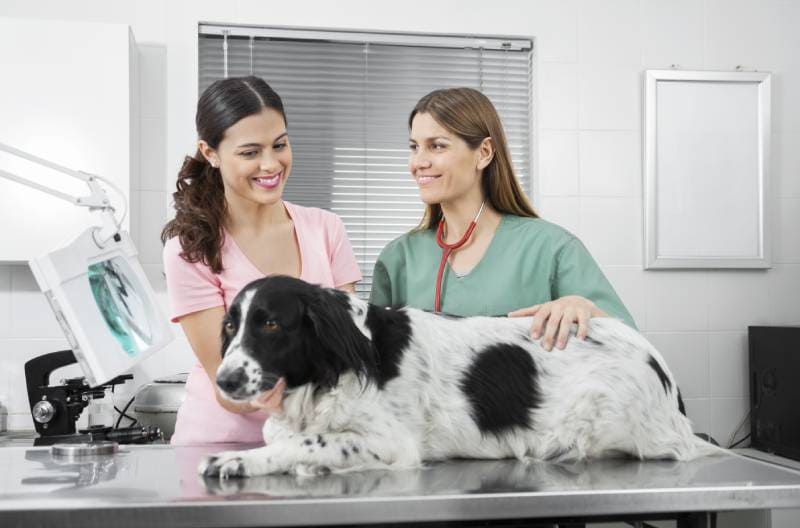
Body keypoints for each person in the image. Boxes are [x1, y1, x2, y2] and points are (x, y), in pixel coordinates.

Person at [161, 76, 361, 444]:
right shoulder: (190, 249)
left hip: (312, 442)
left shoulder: (326, 229)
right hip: (222, 446)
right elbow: (230, 387)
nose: (271, 165)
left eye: (279, 145)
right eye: (250, 152)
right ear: (210, 153)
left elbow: (348, 345)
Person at [370, 87, 635, 352]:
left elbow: (631, 348)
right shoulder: (398, 259)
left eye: (437, 146)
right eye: (414, 147)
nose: (419, 162)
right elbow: (369, 364)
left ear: (484, 152)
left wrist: (586, 309)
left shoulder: (551, 248)